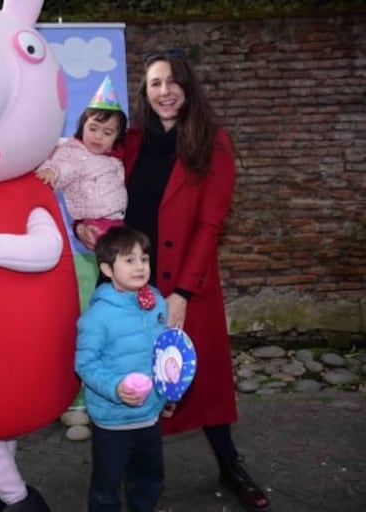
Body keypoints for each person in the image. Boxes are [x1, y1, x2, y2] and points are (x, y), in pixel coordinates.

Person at [75, 50, 270, 512]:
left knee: (200, 381)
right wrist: (85, 223)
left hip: (185, 284)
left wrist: (182, 292)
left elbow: (209, 226)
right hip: (128, 283)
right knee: (128, 370)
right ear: (145, 92)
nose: (165, 91)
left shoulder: (212, 143)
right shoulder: (133, 141)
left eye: (173, 81)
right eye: (155, 83)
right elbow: (92, 179)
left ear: (188, 86)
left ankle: (229, 463)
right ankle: (122, 469)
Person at [75, 226, 170, 512]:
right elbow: (85, 364)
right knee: (107, 485)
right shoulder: (97, 317)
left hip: (150, 415)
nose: (140, 266)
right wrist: (116, 387)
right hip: (112, 421)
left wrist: (169, 391)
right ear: (106, 268)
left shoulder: (156, 302)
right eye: (129, 260)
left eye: (144, 259)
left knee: (149, 478)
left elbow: (163, 353)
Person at [35, 75, 128, 234]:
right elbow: (64, 167)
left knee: (131, 253)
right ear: (82, 126)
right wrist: (51, 172)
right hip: (97, 224)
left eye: (107, 132)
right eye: (93, 128)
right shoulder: (74, 152)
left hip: (119, 220)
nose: (98, 136)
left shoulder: (114, 160)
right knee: (120, 255)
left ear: (117, 137)